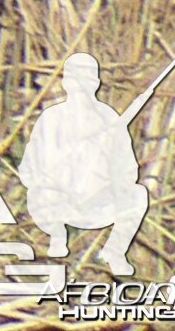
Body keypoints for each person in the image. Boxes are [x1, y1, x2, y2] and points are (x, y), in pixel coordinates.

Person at [21, 54, 151, 277]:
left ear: (96, 83)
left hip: (98, 203)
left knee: (138, 195)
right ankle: (57, 239)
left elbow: (128, 168)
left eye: (87, 79)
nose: (81, 86)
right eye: (75, 79)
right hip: (57, 203)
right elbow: (29, 170)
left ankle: (114, 252)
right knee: (40, 196)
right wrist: (58, 178)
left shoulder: (109, 118)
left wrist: (107, 179)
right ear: (66, 83)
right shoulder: (51, 119)